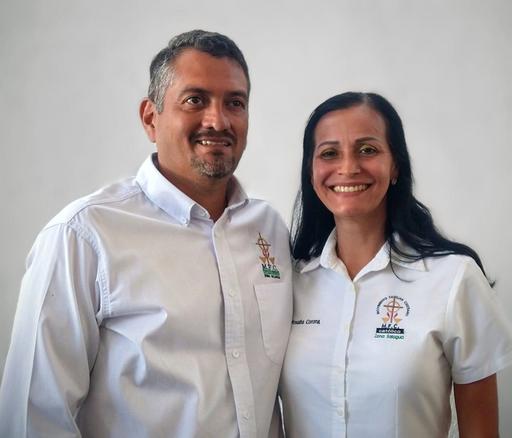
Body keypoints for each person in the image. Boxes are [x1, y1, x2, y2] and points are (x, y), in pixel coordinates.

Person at [0, 30, 292, 437]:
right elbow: (33, 417)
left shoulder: (269, 229)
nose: (218, 120)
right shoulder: (83, 236)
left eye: (235, 103)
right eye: (195, 100)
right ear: (150, 118)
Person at [280, 91, 512, 437]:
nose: (348, 167)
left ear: (396, 167)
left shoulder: (453, 279)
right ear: (311, 172)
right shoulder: (289, 282)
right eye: (329, 153)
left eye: (367, 150)